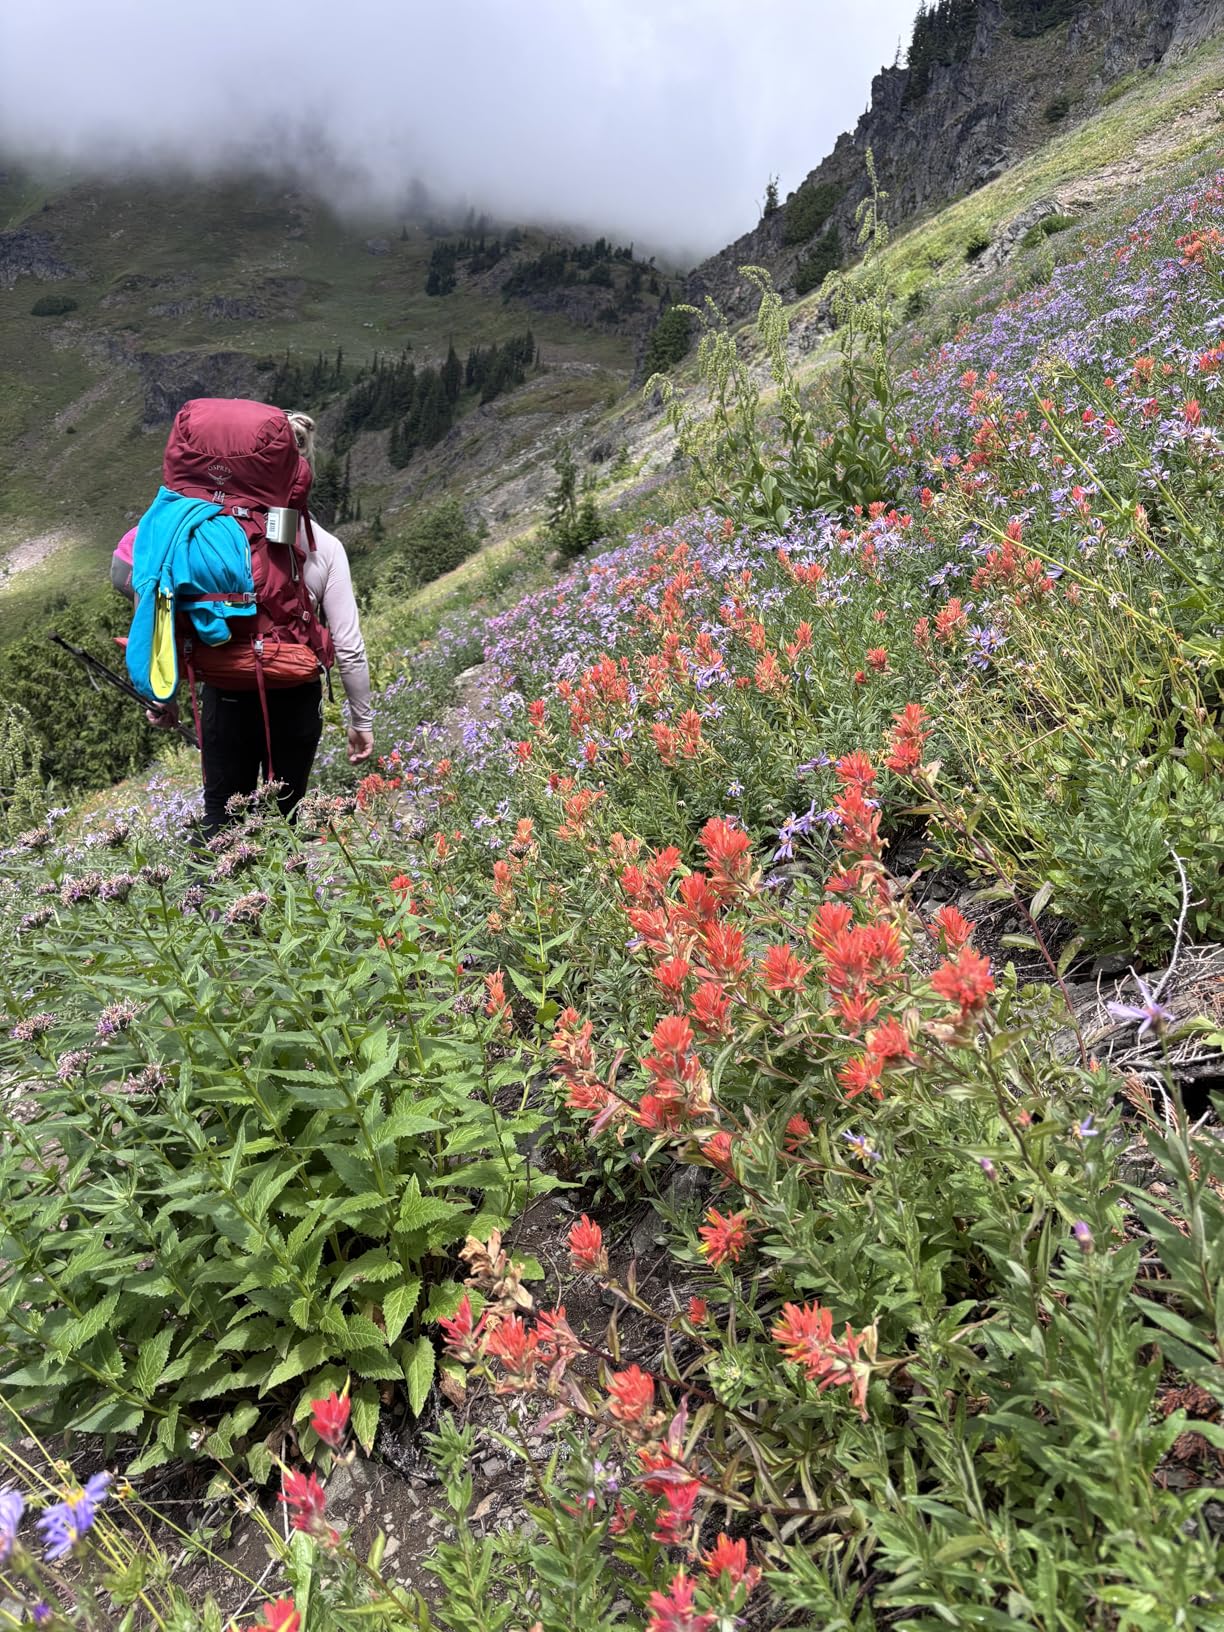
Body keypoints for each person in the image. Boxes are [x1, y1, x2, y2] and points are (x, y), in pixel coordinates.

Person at [125, 408, 374, 834]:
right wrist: (361, 722)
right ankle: (282, 897)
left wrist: (163, 695)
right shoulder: (325, 547)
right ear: (301, 469)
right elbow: (348, 646)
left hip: (225, 693)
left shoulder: (205, 534)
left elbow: (161, 605)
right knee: (285, 818)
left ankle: (218, 901)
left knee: (221, 818)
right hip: (296, 695)